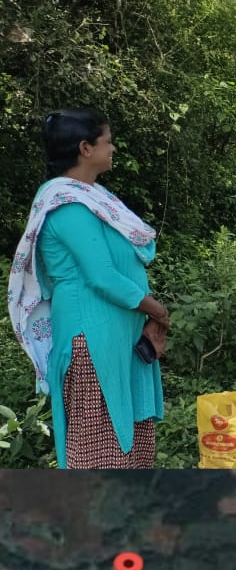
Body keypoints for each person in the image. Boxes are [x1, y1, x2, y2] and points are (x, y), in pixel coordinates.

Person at [8, 108, 167, 468]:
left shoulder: (92, 197)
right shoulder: (67, 207)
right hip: (91, 340)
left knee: (131, 438)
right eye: (107, 142)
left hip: (119, 338)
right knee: (100, 443)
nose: (112, 149)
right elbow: (102, 276)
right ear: (85, 148)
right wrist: (157, 311)